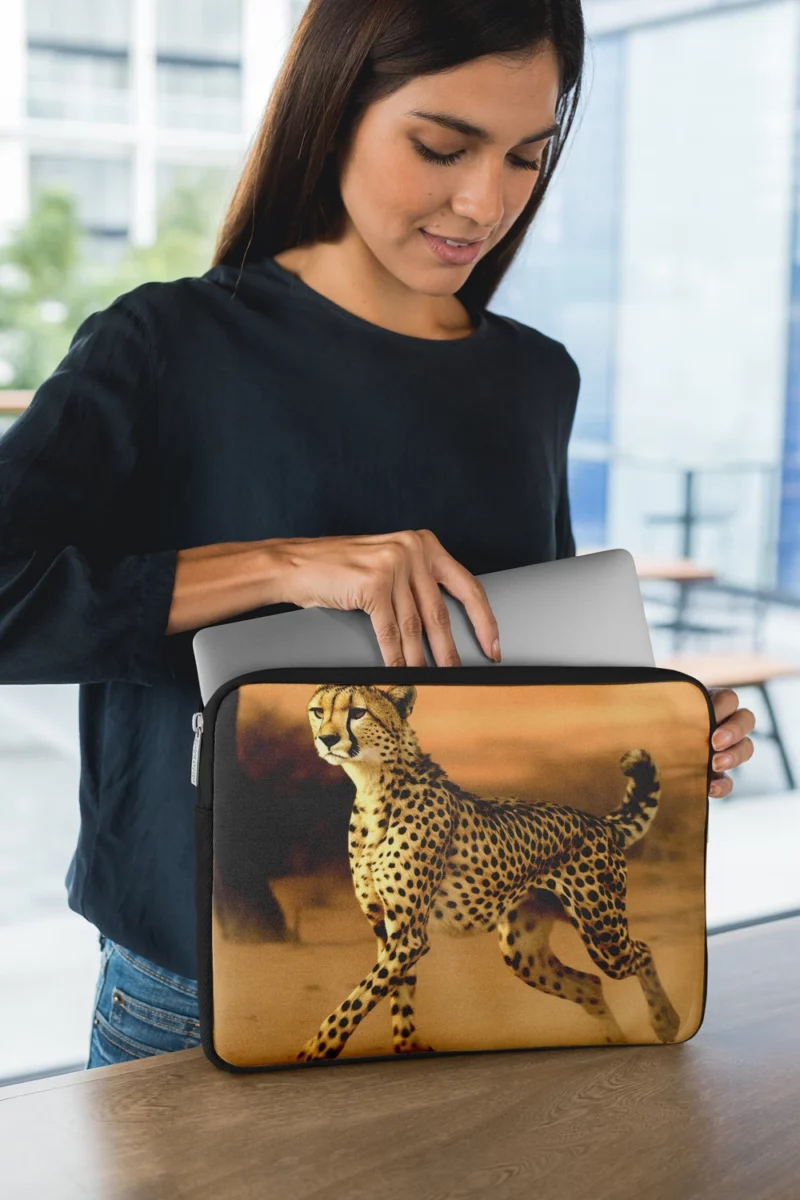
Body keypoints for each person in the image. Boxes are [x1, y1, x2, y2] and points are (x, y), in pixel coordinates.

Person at [0, 0, 753, 1070]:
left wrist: (666, 732)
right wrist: (288, 566)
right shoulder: (163, 345)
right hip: (193, 999)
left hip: (473, 991)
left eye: (525, 158)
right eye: (440, 146)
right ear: (332, 108)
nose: (482, 201)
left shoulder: (535, 378)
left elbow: (516, 667)